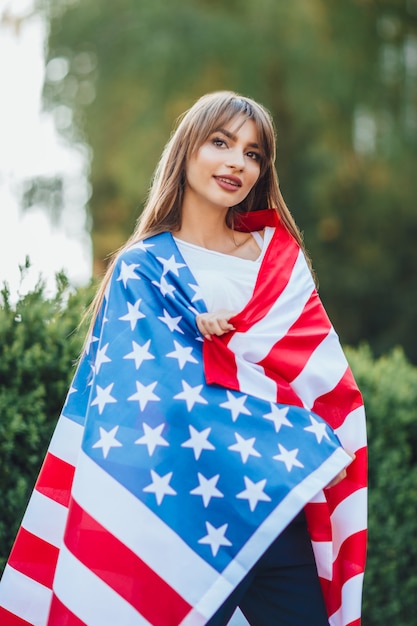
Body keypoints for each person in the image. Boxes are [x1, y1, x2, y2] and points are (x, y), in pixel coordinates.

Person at [0, 92, 367, 626]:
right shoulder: (142, 270)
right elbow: (143, 401)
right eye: (221, 142)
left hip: (274, 504)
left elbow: (315, 373)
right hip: (183, 514)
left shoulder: (278, 262)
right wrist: (192, 344)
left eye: (253, 152)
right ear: (187, 150)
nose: (237, 162)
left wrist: (244, 368)